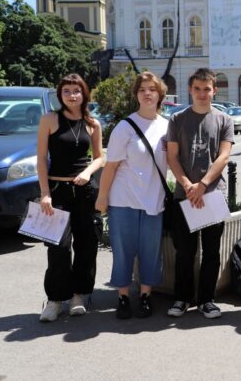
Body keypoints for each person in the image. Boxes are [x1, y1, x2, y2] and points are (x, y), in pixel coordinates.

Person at [96, 72, 169, 319]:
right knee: (123, 252)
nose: (147, 93)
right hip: (123, 200)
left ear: (160, 94)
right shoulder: (125, 127)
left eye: (152, 89)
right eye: (142, 90)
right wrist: (102, 197)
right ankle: (124, 297)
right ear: (136, 95)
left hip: (154, 201)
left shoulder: (167, 126)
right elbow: (111, 166)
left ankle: (146, 296)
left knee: (151, 252)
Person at [166, 69, 234, 319]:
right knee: (184, 251)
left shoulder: (224, 120)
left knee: (212, 250)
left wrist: (203, 185)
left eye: (207, 89)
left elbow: (224, 156)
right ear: (190, 90)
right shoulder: (177, 120)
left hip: (213, 194)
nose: (202, 94)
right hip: (184, 195)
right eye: (198, 88)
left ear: (214, 90)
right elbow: (172, 156)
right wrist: (186, 185)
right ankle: (182, 298)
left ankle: (207, 299)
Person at [36, 73, 104, 322]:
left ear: (83, 94)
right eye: (67, 91)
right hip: (57, 191)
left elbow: (99, 157)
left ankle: (79, 294)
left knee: (86, 244)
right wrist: (44, 194)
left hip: (85, 192)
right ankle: (54, 300)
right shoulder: (49, 120)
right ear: (60, 94)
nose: (72, 95)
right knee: (58, 247)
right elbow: (42, 159)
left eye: (76, 91)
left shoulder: (92, 123)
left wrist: (87, 172)